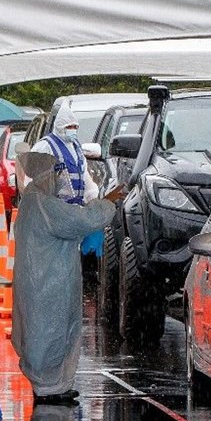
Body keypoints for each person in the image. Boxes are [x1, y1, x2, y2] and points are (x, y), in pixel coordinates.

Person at [11, 153, 124, 404]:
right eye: (56, 173)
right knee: (50, 334)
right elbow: (81, 220)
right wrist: (106, 202)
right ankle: (48, 388)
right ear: (45, 176)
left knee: (48, 332)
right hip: (48, 284)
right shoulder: (42, 204)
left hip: (42, 283)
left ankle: (54, 385)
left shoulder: (34, 202)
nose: (60, 179)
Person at [31, 100, 105, 259]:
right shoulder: (45, 146)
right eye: (68, 127)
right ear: (59, 126)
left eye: (75, 127)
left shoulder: (76, 148)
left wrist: (93, 198)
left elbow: (84, 176)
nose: (72, 130)